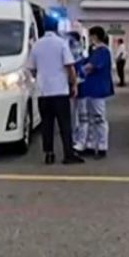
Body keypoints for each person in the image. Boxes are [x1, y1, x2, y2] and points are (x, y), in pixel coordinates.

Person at [29, 18, 84, 165]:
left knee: (47, 125)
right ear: (56, 28)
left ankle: (49, 154)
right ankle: (68, 154)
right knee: (65, 125)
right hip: (60, 91)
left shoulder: (36, 45)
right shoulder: (61, 43)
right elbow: (70, 66)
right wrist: (74, 84)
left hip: (43, 92)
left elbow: (32, 68)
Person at [79, 26, 115, 158]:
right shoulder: (94, 51)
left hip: (98, 89)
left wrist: (81, 70)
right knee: (91, 118)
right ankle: (90, 144)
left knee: (99, 118)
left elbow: (91, 66)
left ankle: (101, 146)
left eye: (91, 36)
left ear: (95, 36)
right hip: (91, 88)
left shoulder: (103, 51)